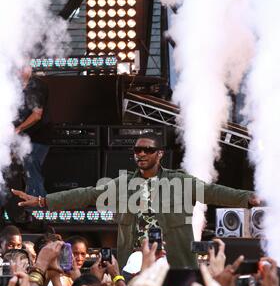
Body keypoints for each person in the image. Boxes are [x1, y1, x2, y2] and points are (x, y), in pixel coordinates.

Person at [11, 136, 260, 268]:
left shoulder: (180, 181)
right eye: (137, 151)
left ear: (159, 153)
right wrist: (43, 201)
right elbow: (86, 194)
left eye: (147, 150)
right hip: (133, 263)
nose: (140, 154)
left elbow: (213, 191)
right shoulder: (121, 184)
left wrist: (246, 198)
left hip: (174, 264)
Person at [14, 65, 50, 197]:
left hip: (37, 138)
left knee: (32, 172)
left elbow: (37, 115)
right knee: (25, 174)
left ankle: (38, 209)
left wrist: (18, 129)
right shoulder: (17, 86)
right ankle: (29, 210)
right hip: (23, 138)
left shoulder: (36, 86)